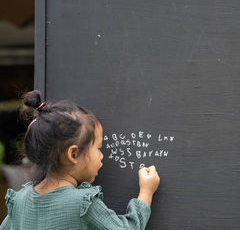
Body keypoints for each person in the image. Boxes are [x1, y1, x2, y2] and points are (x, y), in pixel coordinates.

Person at [0, 90, 160, 229]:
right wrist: (146, 193)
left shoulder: (20, 200)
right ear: (73, 154)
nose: (102, 155)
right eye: (98, 148)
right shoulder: (83, 205)